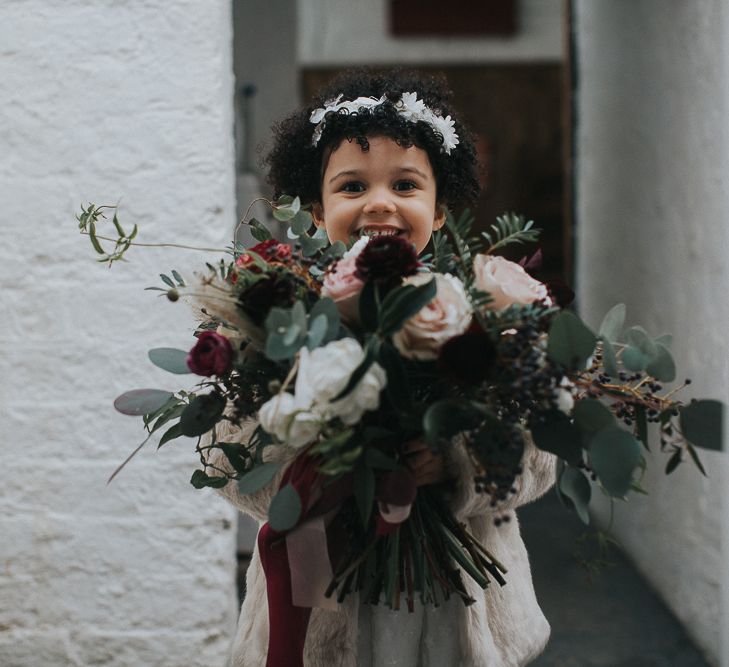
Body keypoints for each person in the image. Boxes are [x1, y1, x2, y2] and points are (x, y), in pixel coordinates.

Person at [208, 69, 556, 667]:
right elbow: (226, 453)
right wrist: (329, 460)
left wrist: (453, 462)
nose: (379, 203)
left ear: (439, 209)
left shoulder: (481, 314)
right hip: (324, 600)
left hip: (455, 608)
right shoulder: (277, 316)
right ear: (316, 210)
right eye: (351, 186)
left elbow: (539, 452)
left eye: (404, 184)